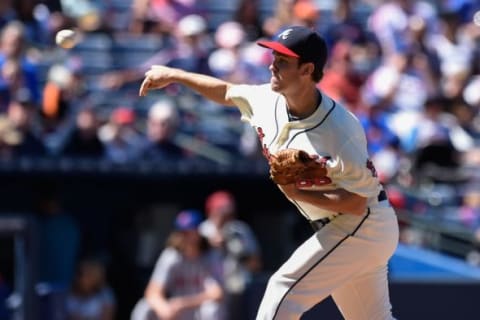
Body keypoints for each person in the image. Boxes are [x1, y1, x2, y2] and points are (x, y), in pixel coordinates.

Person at [139, 25, 399, 319]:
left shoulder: (340, 129)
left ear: (307, 69)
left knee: (282, 290)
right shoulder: (266, 100)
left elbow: (356, 203)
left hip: (365, 224)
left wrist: (297, 192)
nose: (272, 65)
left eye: (283, 61)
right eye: (274, 56)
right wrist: (175, 75)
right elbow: (226, 91)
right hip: (344, 227)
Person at [130, 209, 225, 320]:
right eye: (182, 232)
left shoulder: (211, 255)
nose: (185, 236)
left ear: (198, 232)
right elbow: (152, 291)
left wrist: (183, 303)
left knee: (211, 309)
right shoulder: (171, 256)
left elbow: (217, 294)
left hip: (196, 310)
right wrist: (163, 308)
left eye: (190, 231)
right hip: (176, 312)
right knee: (144, 308)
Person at [199, 190, 261, 320]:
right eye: (221, 211)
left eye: (228, 212)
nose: (226, 216)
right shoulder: (202, 231)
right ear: (211, 211)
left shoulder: (240, 230)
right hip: (206, 289)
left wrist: (240, 252)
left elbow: (256, 265)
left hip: (237, 290)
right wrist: (211, 244)